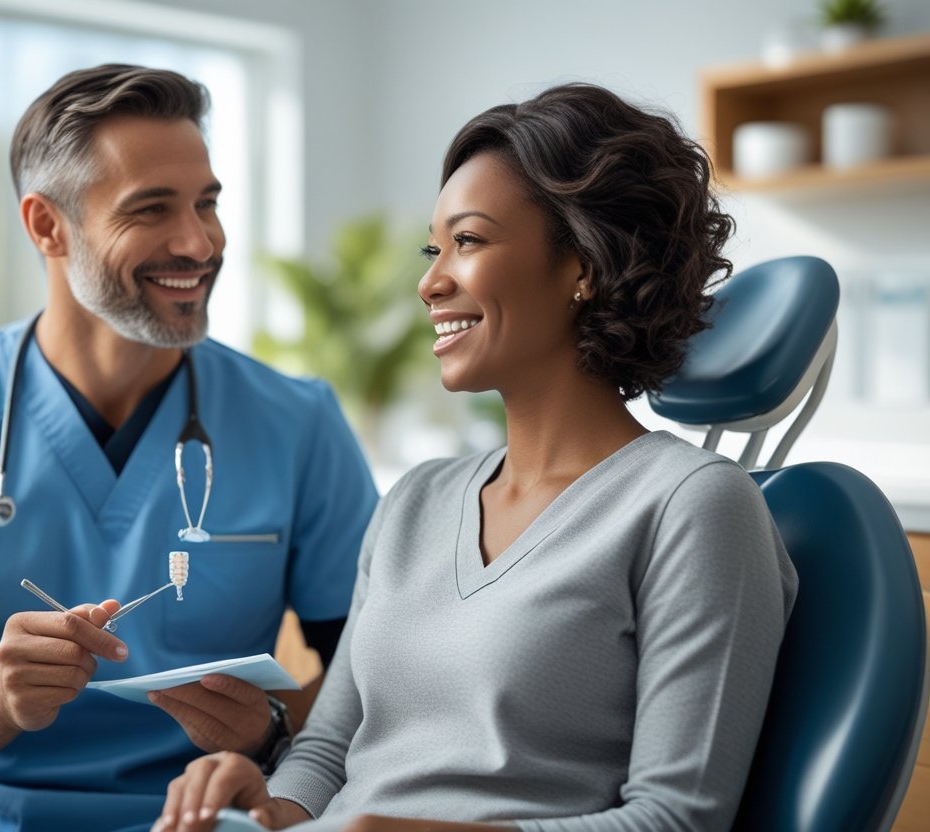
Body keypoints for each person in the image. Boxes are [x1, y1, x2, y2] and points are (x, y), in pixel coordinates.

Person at [155, 83, 799, 832]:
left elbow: (675, 820)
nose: (429, 283)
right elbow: (329, 751)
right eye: (435, 249)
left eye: (468, 241)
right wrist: (267, 806)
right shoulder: (415, 501)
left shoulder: (692, 505)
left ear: (583, 265)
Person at [0, 65, 378, 831]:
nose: (200, 242)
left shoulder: (297, 422)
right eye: (152, 209)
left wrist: (270, 730)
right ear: (47, 226)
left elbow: (378, 677)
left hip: (194, 815)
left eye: (208, 203)